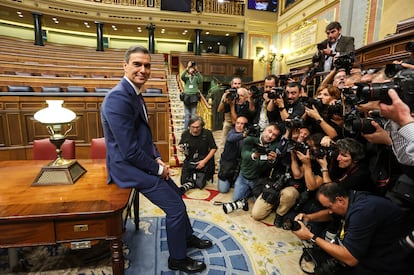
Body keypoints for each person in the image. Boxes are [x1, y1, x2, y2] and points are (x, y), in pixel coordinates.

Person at [101, 45, 212, 273]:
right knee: (175, 209)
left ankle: (187, 237)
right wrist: (157, 169)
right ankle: (177, 259)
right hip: (128, 168)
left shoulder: (134, 93)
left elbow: (144, 137)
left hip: (141, 162)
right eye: (137, 64)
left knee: (177, 198)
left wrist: (158, 159)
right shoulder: (117, 99)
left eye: (147, 65)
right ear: (125, 65)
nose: (143, 69)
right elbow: (130, 151)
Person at [293, 182, 412, 275]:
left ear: (340, 200)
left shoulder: (362, 212)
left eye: (329, 207)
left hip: (390, 258)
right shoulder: (352, 197)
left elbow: (351, 258)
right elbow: (330, 213)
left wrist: (311, 236)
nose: (329, 211)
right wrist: (308, 217)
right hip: (378, 243)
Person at [178, 115, 217, 192]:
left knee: (200, 184)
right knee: (183, 182)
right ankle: (192, 181)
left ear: (202, 126)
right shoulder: (185, 134)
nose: (195, 130)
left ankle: (194, 180)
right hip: (190, 159)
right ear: (189, 126)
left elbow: (214, 148)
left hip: (203, 159)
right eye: (193, 127)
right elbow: (180, 145)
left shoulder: (207, 133)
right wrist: (180, 148)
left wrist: (204, 161)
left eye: (198, 127)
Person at [217, 115, 248, 193]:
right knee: (223, 190)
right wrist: (243, 135)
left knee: (237, 188)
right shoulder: (231, 132)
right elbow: (231, 138)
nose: (239, 126)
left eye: (242, 124)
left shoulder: (249, 136)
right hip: (227, 165)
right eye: (237, 123)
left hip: (239, 166)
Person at [217, 77, 243, 155]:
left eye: (239, 84)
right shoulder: (227, 94)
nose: (237, 86)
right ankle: (220, 161)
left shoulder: (243, 94)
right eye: (235, 83)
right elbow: (219, 110)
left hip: (240, 122)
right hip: (228, 121)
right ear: (231, 85)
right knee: (223, 142)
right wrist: (225, 100)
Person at [181, 60, 203, 129]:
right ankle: (185, 130)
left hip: (194, 97)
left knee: (193, 115)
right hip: (186, 97)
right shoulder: (187, 78)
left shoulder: (196, 78)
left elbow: (201, 80)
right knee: (187, 114)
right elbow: (182, 76)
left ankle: (192, 128)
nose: (192, 69)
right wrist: (187, 68)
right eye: (191, 68)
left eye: (192, 68)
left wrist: (197, 71)